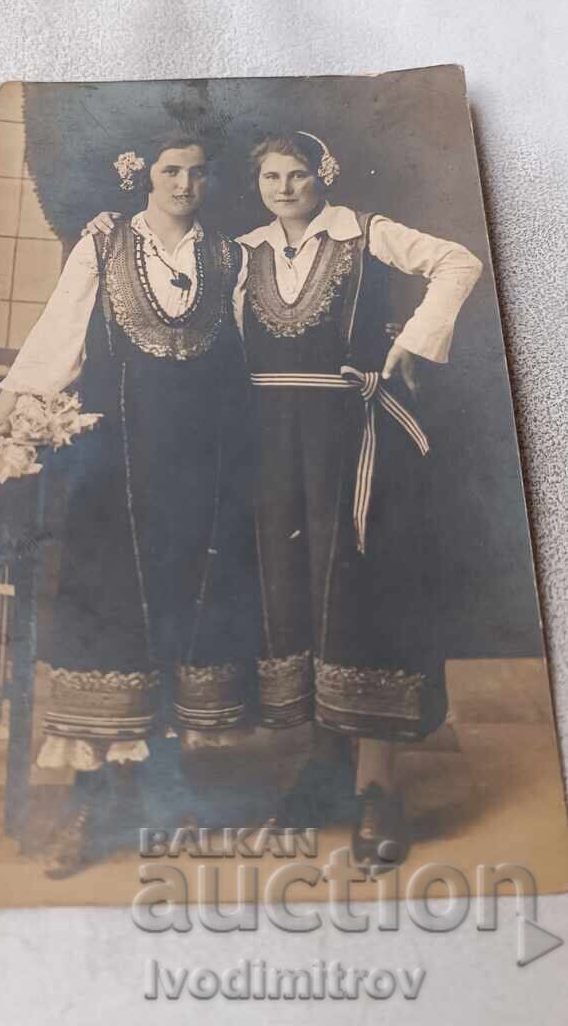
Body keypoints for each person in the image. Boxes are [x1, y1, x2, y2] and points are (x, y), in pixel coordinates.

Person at [0, 133, 256, 877]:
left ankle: (159, 792)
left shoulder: (229, 258)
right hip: (112, 468)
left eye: (196, 171)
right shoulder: (102, 245)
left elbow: (249, 357)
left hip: (199, 471)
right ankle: (90, 801)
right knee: (105, 617)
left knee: (183, 612)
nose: (184, 183)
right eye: (170, 170)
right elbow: (58, 337)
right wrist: (4, 408)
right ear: (141, 175)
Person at [234, 129, 483, 865]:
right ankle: (322, 770)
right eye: (271, 177)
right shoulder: (242, 252)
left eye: (298, 174)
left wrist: (412, 341)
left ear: (325, 175)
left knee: (362, 598)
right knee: (298, 596)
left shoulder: (364, 233)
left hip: (354, 437)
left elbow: (459, 261)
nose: (284, 188)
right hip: (271, 447)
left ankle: (377, 789)